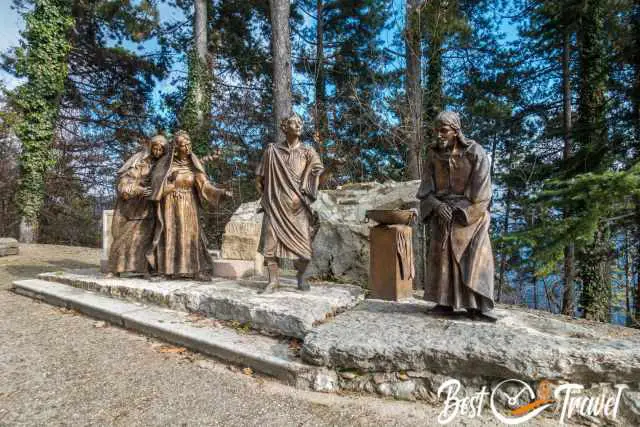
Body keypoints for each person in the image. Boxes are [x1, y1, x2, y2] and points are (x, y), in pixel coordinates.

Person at [416, 111, 497, 321]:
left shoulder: (475, 152)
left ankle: (475, 306)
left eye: (443, 131)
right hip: (442, 212)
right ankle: (444, 303)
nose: (439, 135)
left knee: (473, 258)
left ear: (455, 131)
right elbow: (425, 191)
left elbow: (482, 193)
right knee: (442, 257)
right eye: (436, 131)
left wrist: (459, 210)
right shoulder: (433, 155)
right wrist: (436, 205)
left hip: (470, 215)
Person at [147, 131, 231, 281]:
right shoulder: (165, 164)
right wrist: (167, 187)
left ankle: (195, 270)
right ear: (176, 148)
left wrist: (221, 193)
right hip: (170, 205)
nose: (187, 147)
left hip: (189, 205)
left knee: (191, 235)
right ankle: (165, 271)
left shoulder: (194, 165)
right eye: (183, 145)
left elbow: (205, 185)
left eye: (188, 144)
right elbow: (156, 183)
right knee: (170, 235)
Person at [256, 114, 324, 292]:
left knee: (304, 251)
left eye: (301, 122)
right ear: (284, 127)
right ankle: (273, 281)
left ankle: (301, 276)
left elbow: (318, 172)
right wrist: (268, 198)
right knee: (270, 248)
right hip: (276, 207)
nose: (299, 125)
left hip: (298, 208)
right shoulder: (272, 151)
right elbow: (259, 179)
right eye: (295, 123)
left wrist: (308, 189)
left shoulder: (308, 152)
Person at [107, 134, 167, 278]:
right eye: (155, 148)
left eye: (161, 149)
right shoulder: (138, 162)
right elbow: (123, 186)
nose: (157, 152)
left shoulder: (162, 165)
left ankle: (143, 269)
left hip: (148, 209)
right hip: (131, 208)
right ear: (150, 147)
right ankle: (115, 269)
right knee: (122, 239)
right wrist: (138, 189)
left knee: (143, 240)